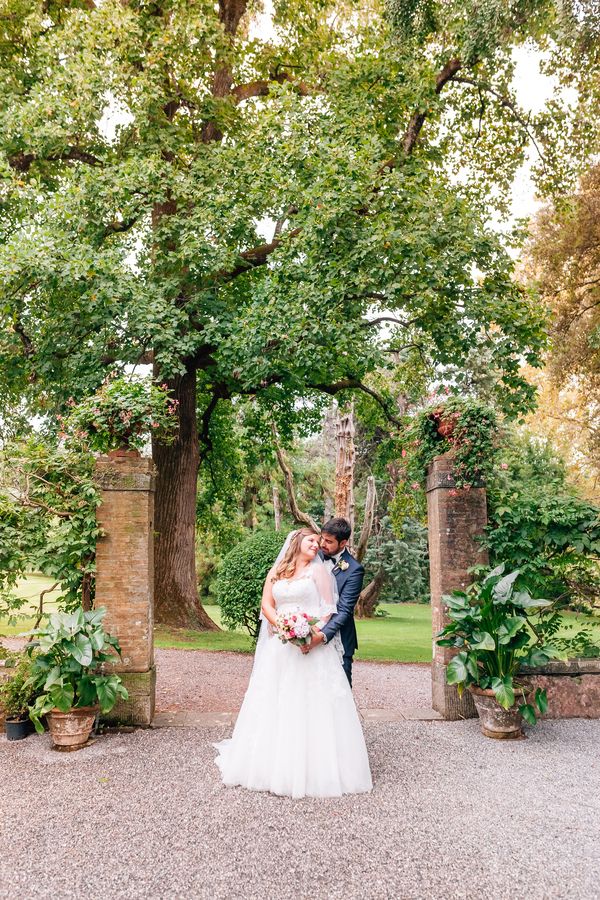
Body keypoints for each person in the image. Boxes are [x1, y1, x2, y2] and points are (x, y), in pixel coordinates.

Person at [213, 527, 372, 799]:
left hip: (311, 646)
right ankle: (271, 764)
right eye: (312, 540)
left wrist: (309, 635)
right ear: (297, 542)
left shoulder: (319, 572)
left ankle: (316, 767)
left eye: (319, 541)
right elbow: (267, 606)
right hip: (281, 647)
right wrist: (285, 628)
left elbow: (328, 609)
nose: (317, 544)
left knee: (311, 704)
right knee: (275, 700)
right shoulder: (276, 572)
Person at [305, 517, 364, 688]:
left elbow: (344, 610)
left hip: (339, 638)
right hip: (307, 629)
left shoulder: (354, 570)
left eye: (329, 541)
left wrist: (321, 636)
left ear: (343, 542)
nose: (322, 544)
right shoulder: (311, 556)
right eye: (322, 538)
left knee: (340, 690)